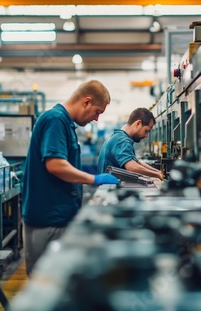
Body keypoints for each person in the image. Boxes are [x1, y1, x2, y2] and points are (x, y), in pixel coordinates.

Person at [22, 80, 119, 276]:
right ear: (86, 102)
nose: (97, 119)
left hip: (56, 216)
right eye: (97, 112)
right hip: (48, 219)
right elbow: (55, 164)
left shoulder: (64, 123)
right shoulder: (55, 120)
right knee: (48, 284)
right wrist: (94, 179)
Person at [97, 107, 162, 179]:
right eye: (146, 131)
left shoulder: (119, 136)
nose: (146, 136)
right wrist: (157, 175)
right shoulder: (121, 140)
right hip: (110, 186)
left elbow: (137, 163)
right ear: (138, 123)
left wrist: (158, 172)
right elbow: (132, 167)